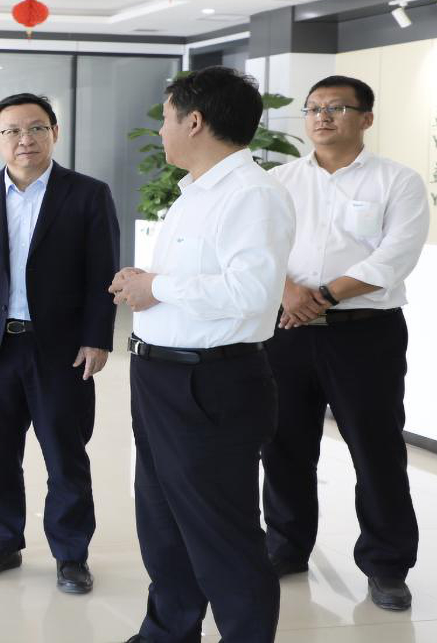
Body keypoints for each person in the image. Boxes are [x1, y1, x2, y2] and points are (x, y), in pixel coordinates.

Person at [110, 66, 295, 643]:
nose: (160, 131)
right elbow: (195, 280)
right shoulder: (195, 191)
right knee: (162, 522)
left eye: (166, 119)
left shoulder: (252, 194)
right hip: (161, 376)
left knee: (221, 534)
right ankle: (167, 632)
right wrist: (145, 281)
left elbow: (253, 293)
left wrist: (157, 287)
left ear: (194, 121)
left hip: (209, 384)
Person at [0, 92, 120, 594]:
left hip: (61, 350)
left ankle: (71, 555)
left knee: (65, 455)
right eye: (13, 131)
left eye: (37, 128)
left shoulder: (87, 194)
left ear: (55, 133)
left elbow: (101, 274)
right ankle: (0, 543)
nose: (26, 139)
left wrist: (97, 338)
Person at [263, 75, 429, 612]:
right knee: (284, 445)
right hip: (286, 331)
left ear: (366, 118)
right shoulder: (280, 180)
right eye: (313, 108)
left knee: (376, 449)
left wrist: (324, 296)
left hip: (365, 335)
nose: (322, 117)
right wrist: (288, 292)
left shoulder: (397, 181)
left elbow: (394, 257)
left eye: (336, 108)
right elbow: (259, 247)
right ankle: (285, 547)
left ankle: (387, 565)